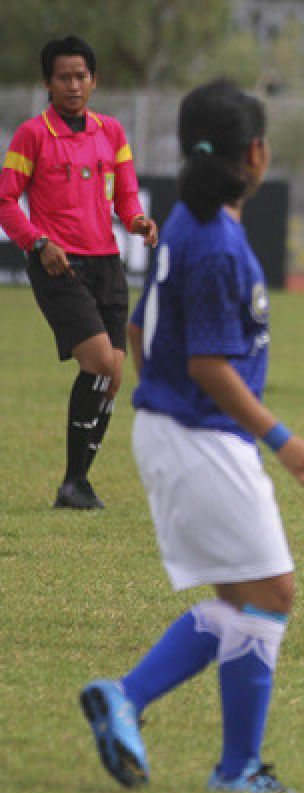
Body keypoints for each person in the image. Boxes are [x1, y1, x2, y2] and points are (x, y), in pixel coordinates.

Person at [79, 80, 304, 793]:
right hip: (201, 435)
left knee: (251, 599)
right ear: (255, 152)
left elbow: (139, 328)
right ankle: (220, 758)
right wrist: (281, 439)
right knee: (272, 594)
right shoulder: (217, 240)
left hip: (174, 430)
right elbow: (209, 365)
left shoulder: (187, 223)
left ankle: (184, 736)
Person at [0, 35, 158, 509]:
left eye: (81, 76)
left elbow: (126, 197)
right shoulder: (32, 135)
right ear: (48, 82)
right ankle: (73, 483)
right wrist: (38, 242)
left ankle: (77, 483)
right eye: (64, 77)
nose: (74, 84)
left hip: (107, 261)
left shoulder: (112, 133)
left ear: (94, 80)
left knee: (112, 377)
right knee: (99, 362)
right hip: (58, 262)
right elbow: (6, 200)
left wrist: (137, 221)